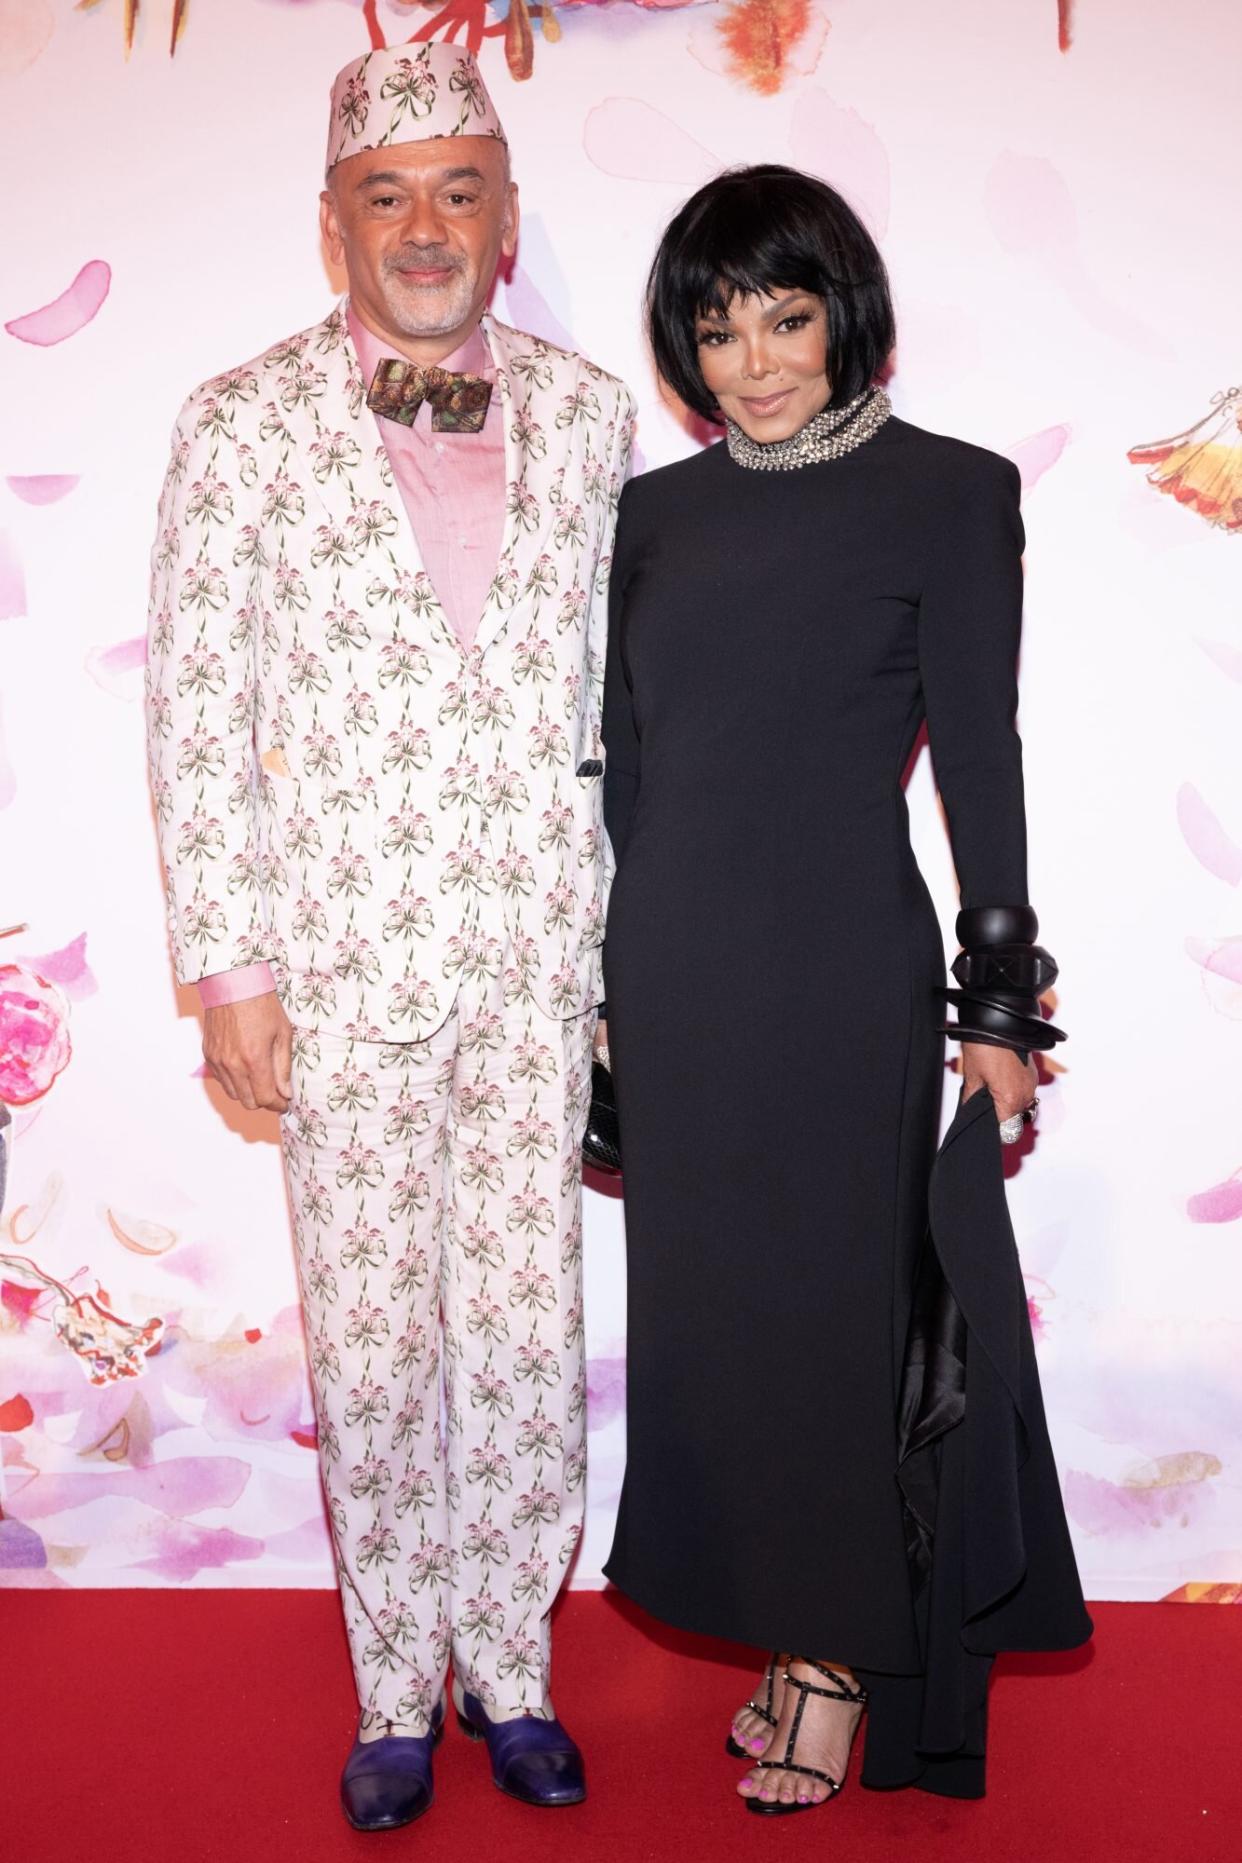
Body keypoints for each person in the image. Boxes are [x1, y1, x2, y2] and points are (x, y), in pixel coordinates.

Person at [146, 43, 634, 1833]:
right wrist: (233, 973)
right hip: (337, 969)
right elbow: (199, 711)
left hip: (534, 963)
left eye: (458, 190)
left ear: (506, 224)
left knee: (520, 1327)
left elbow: (619, 704)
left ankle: (510, 1666)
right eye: (386, 193)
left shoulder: (591, 417)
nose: (423, 227)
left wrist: (622, 961)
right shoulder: (242, 416)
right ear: (332, 224)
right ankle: (388, 1685)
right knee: (368, 1343)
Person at [597, 164, 1090, 1814]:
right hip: (671, 980)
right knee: (716, 1336)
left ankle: (825, 1663)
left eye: (783, 316)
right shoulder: (648, 519)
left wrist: (1000, 1005)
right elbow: (628, 782)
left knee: (836, 1331)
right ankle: (778, 1630)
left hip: (836, 978)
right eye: (715, 324)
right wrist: (601, 991)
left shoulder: (946, 494)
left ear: (845, 312)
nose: (750, 359)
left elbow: (985, 759)